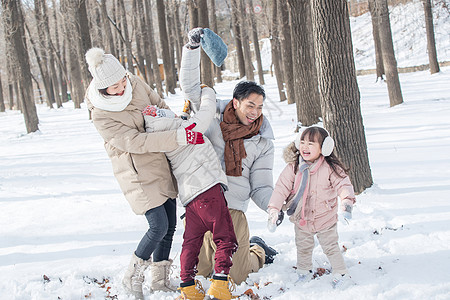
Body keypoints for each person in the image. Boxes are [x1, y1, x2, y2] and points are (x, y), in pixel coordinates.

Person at [84, 47, 205, 299]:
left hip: (162, 161)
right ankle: (132, 276)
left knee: (170, 225)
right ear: (101, 89)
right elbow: (135, 142)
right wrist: (176, 137)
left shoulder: (135, 83)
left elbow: (159, 104)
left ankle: (159, 280)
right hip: (136, 172)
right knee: (157, 226)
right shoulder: (101, 114)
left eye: (122, 81)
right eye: (114, 87)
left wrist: (167, 117)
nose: (121, 88)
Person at [181, 28, 278, 285]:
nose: (255, 112)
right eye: (250, 106)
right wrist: (191, 49)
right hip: (203, 205)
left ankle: (257, 251)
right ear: (235, 102)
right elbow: (190, 87)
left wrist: (275, 206)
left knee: (237, 276)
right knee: (200, 274)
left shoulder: (262, 141)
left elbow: (261, 185)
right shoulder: (210, 117)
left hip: (233, 209)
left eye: (259, 107)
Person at [142, 83, 238, 299]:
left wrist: (182, 113)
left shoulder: (165, 137)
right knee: (225, 238)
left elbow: (177, 123)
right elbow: (204, 114)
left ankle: (188, 285)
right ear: (167, 118)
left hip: (190, 200)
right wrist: (207, 92)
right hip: (209, 192)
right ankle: (221, 282)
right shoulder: (188, 130)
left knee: (191, 243)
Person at [267, 126, 356, 288]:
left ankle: (341, 272)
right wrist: (274, 208)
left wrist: (346, 202)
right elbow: (281, 188)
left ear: (324, 147)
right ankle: (303, 271)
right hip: (302, 217)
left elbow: (343, 184)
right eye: (302, 142)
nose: (305, 147)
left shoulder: (330, 168)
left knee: (330, 246)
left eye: (311, 143)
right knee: (303, 246)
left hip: (325, 217)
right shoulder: (293, 167)